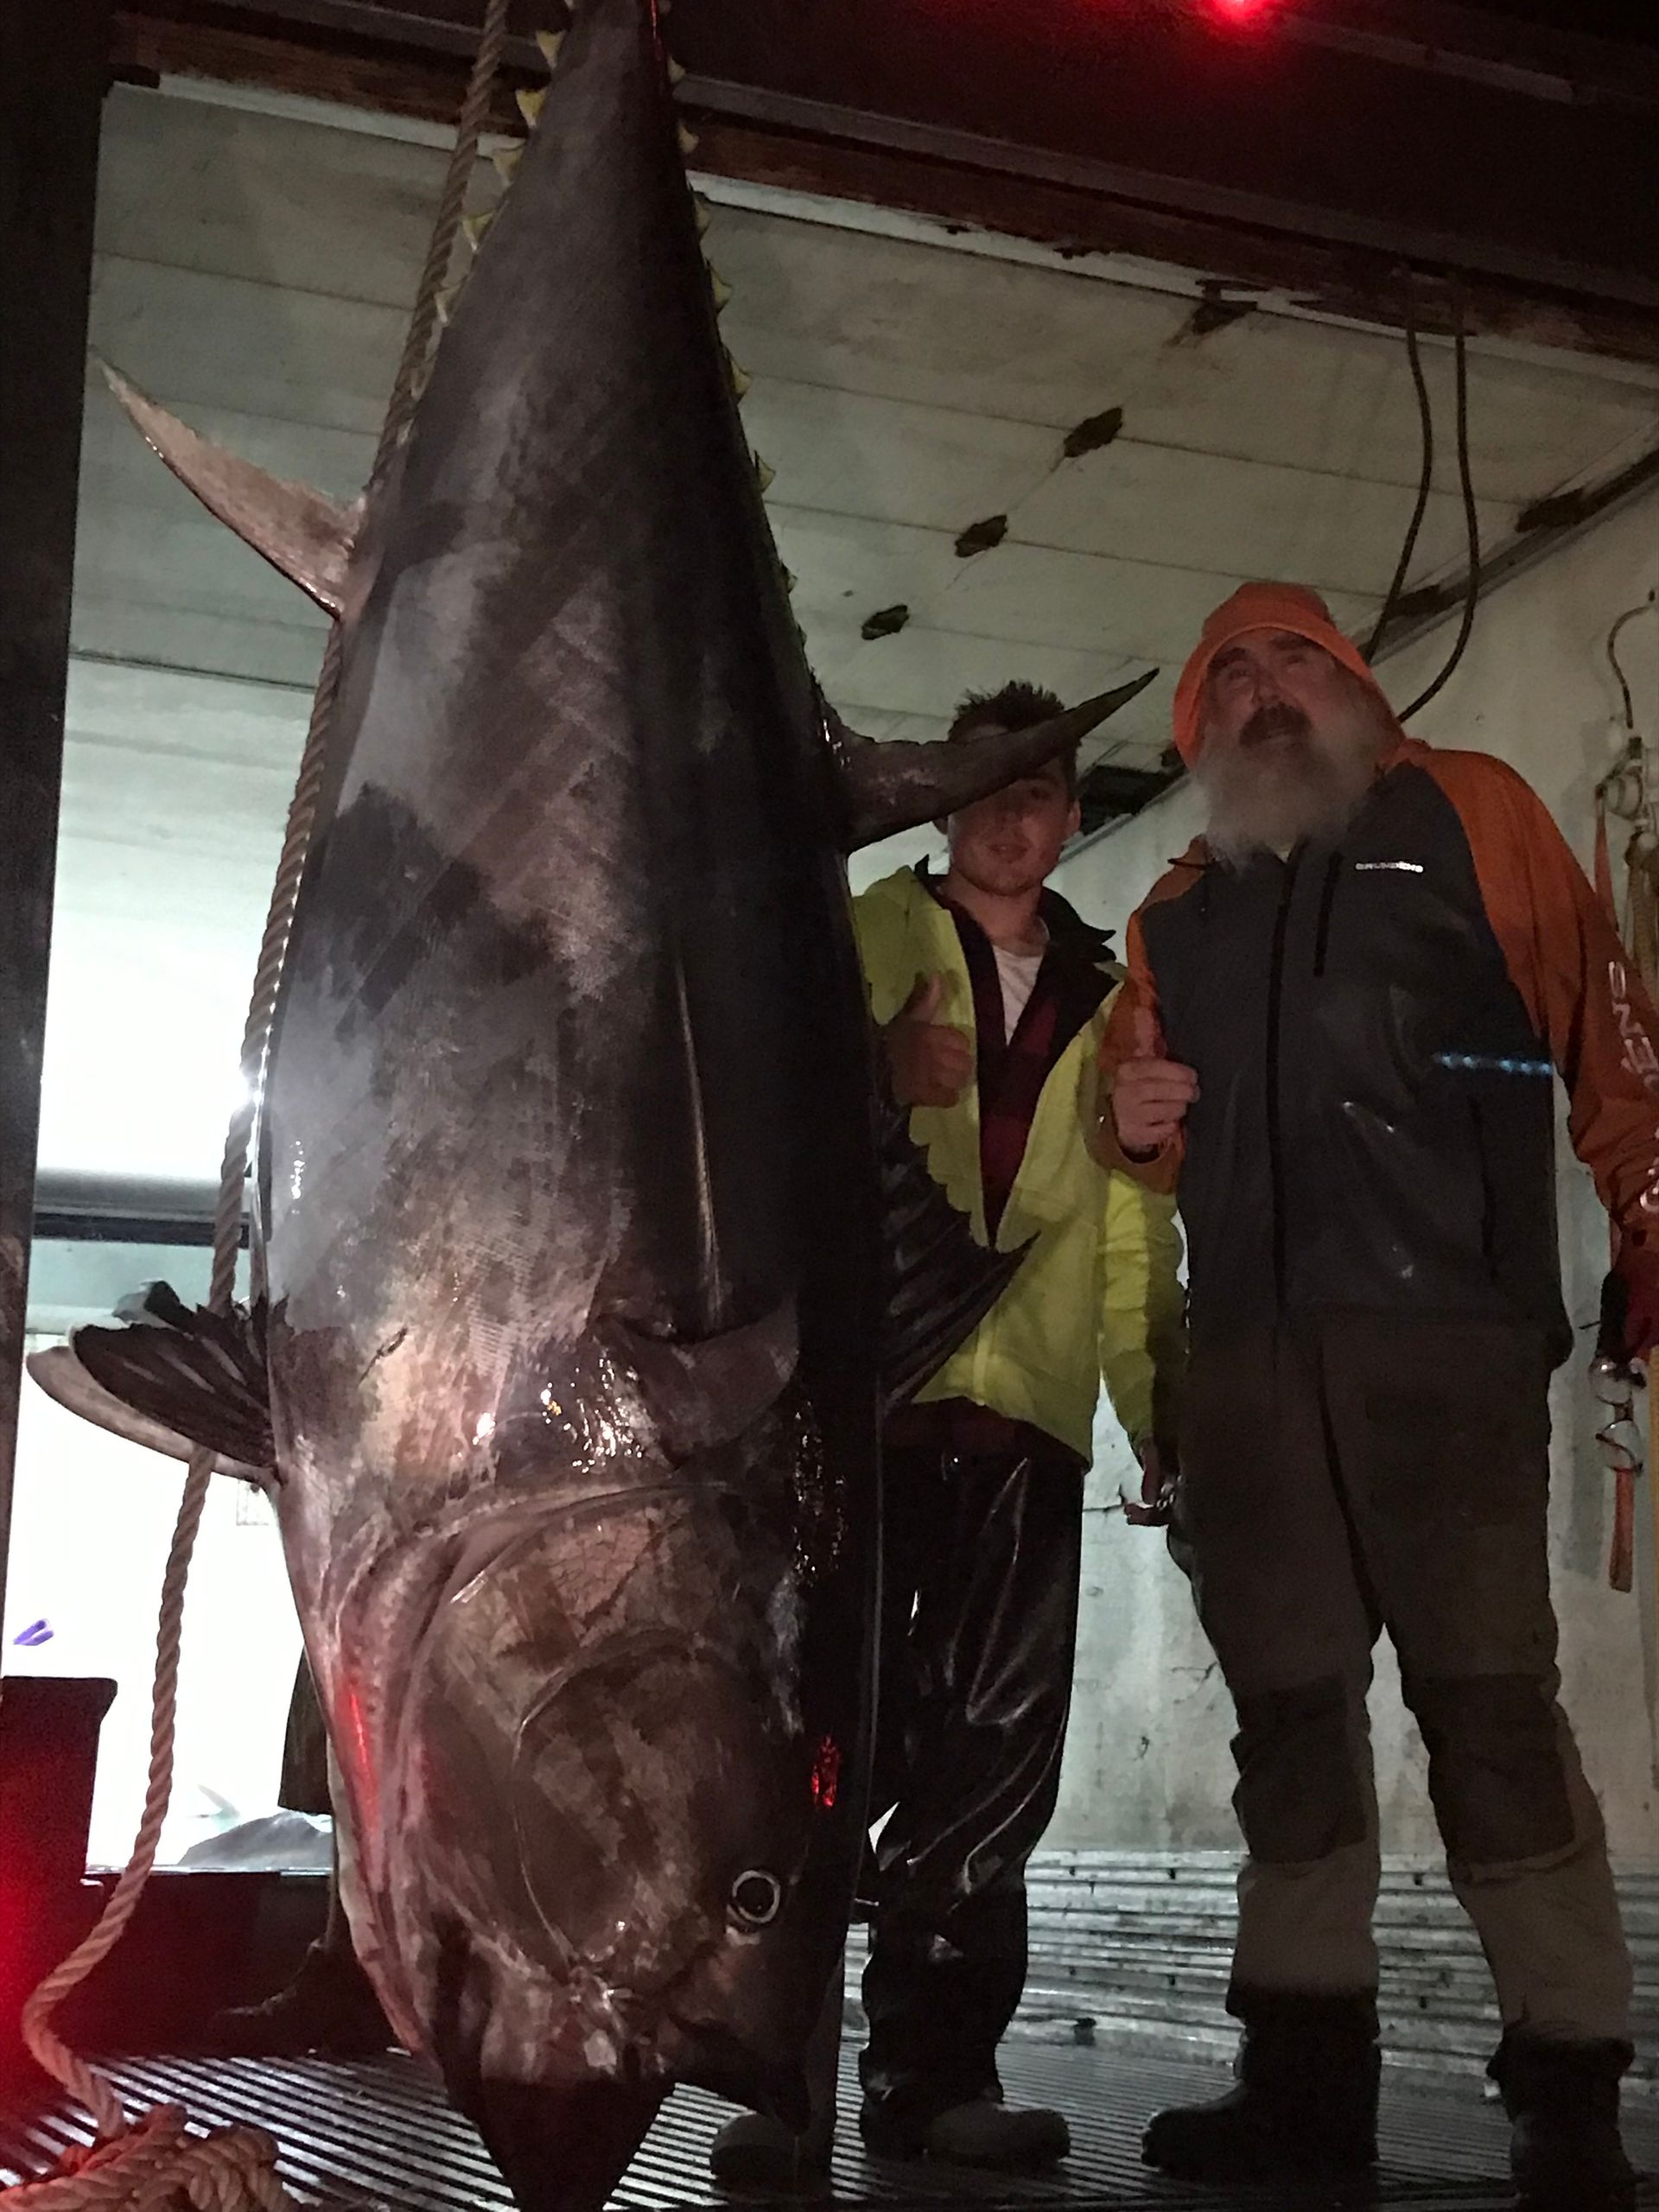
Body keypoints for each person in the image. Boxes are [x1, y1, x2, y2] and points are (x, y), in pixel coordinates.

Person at [1098, 581, 1654, 2212]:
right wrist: (1127, 1125)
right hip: (1258, 1374)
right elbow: (1142, 1135)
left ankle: (1570, 2090)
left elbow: (1610, 1033)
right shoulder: (1178, 902)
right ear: (1199, 729)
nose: (1266, 694)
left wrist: (1652, 1211)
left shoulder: (1471, 809)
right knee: (1291, 1731)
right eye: (1232, 677)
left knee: (1490, 1712)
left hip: (1451, 1354)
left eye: (1297, 663)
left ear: (1353, 684)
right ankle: (1304, 2093)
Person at [710, 680, 1185, 2188]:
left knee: (992, 1762)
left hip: (1026, 1423)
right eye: (984, 784)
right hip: (860, 1409)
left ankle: (933, 2078)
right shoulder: (858, 930)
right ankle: (778, 2090)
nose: (1009, 814)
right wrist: (870, 1070)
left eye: (1040, 790)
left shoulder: (1116, 999)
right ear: (939, 798)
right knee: (819, 1745)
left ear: (1072, 814)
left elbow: (1126, 1233)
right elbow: (740, 1103)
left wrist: (1148, 1412)